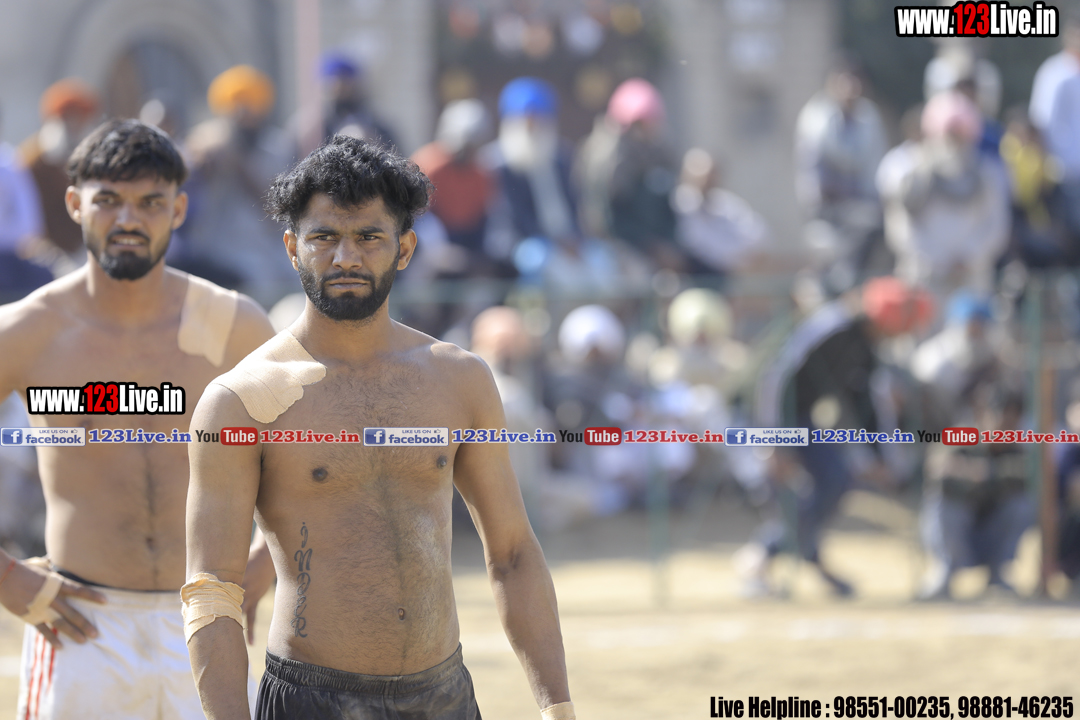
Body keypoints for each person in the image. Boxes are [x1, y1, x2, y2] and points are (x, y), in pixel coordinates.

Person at [185, 136, 574, 720]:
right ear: (292, 248)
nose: (346, 257)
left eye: (369, 237)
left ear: (405, 248)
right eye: (324, 237)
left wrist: (558, 708)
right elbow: (212, 589)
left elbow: (514, 553)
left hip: (445, 697)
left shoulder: (459, 380)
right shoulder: (240, 401)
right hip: (311, 700)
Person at [0, 118, 276, 719]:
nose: (128, 220)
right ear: (75, 204)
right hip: (80, 625)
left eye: (150, 202)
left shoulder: (233, 324)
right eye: (108, 200)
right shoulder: (28, 331)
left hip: (206, 615)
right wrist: (6, 578)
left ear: (178, 209)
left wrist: (264, 563)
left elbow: (309, 456)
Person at [754, 277, 933, 596]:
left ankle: (783, 556)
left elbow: (864, 404)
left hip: (801, 418)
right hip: (761, 412)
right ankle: (759, 561)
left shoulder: (866, 344)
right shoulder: (830, 325)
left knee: (834, 479)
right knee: (786, 493)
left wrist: (880, 459)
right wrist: (771, 440)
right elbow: (775, 376)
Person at [182, 65, 296, 308]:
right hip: (217, 254)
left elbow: (274, 209)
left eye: (250, 108)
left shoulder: (277, 147)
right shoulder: (212, 141)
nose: (244, 116)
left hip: (264, 259)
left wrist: (237, 163)